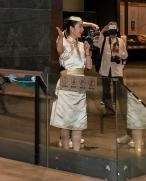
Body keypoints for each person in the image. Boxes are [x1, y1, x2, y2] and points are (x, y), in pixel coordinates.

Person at [50, 16, 98, 151]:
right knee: (65, 123)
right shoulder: (63, 41)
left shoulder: (83, 45)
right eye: (80, 27)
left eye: (82, 26)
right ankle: (66, 154)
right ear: (71, 28)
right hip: (66, 86)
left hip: (79, 87)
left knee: (78, 122)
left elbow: (89, 67)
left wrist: (88, 53)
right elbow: (59, 50)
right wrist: (60, 37)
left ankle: (77, 153)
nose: (82, 29)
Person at [96, 21, 128, 112]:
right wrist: (102, 31)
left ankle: (119, 107)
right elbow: (97, 43)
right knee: (106, 90)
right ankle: (108, 107)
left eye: (114, 28)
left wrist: (119, 53)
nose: (112, 30)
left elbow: (125, 55)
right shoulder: (104, 40)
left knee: (119, 89)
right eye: (110, 28)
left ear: (117, 29)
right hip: (105, 69)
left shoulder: (120, 41)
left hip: (116, 69)